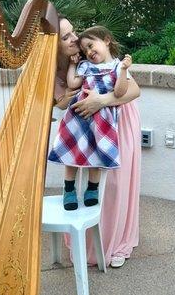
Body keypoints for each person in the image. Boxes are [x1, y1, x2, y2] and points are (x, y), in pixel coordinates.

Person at [53, 16, 141, 268]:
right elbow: (60, 102)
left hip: (118, 117)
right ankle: (91, 242)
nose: (74, 39)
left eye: (73, 33)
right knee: (89, 177)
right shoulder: (72, 67)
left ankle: (116, 242)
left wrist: (101, 101)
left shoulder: (104, 61)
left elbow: (132, 91)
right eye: (66, 36)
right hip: (86, 127)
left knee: (114, 181)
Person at [49, 25, 132, 211]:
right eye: (85, 49)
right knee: (72, 150)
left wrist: (125, 70)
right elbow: (73, 83)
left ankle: (92, 190)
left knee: (96, 152)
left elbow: (120, 93)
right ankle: (68, 189)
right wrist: (73, 64)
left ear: (107, 40)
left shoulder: (118, 67)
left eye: (91, 45)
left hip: (101, 119)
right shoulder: (85, 65)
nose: (89, 51)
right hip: (78, 118)